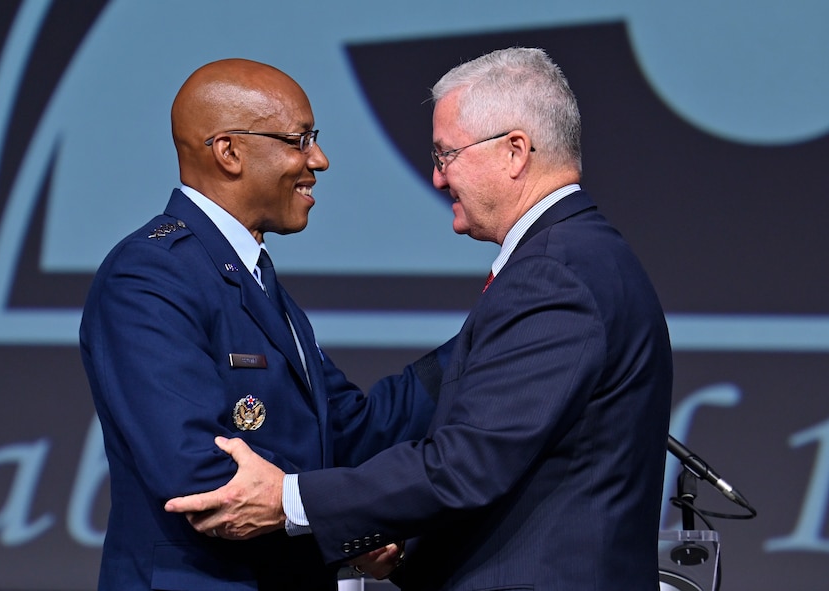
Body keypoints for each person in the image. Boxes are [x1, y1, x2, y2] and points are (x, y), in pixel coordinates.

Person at [165, 47, 674, 590]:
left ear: (515, 152)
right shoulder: (579, 257)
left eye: (445, 155)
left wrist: (288, 499)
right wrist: (400, 552)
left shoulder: (555, 272)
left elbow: (466, 464)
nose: (436, 178)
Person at [79, 58, 438, 590]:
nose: (319, 159)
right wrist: (342, 522)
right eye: (299, 139)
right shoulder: (150, 275)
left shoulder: (253, 279)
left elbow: (352, 431)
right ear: (229, 151)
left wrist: (492, 336)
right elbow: (200, 474)